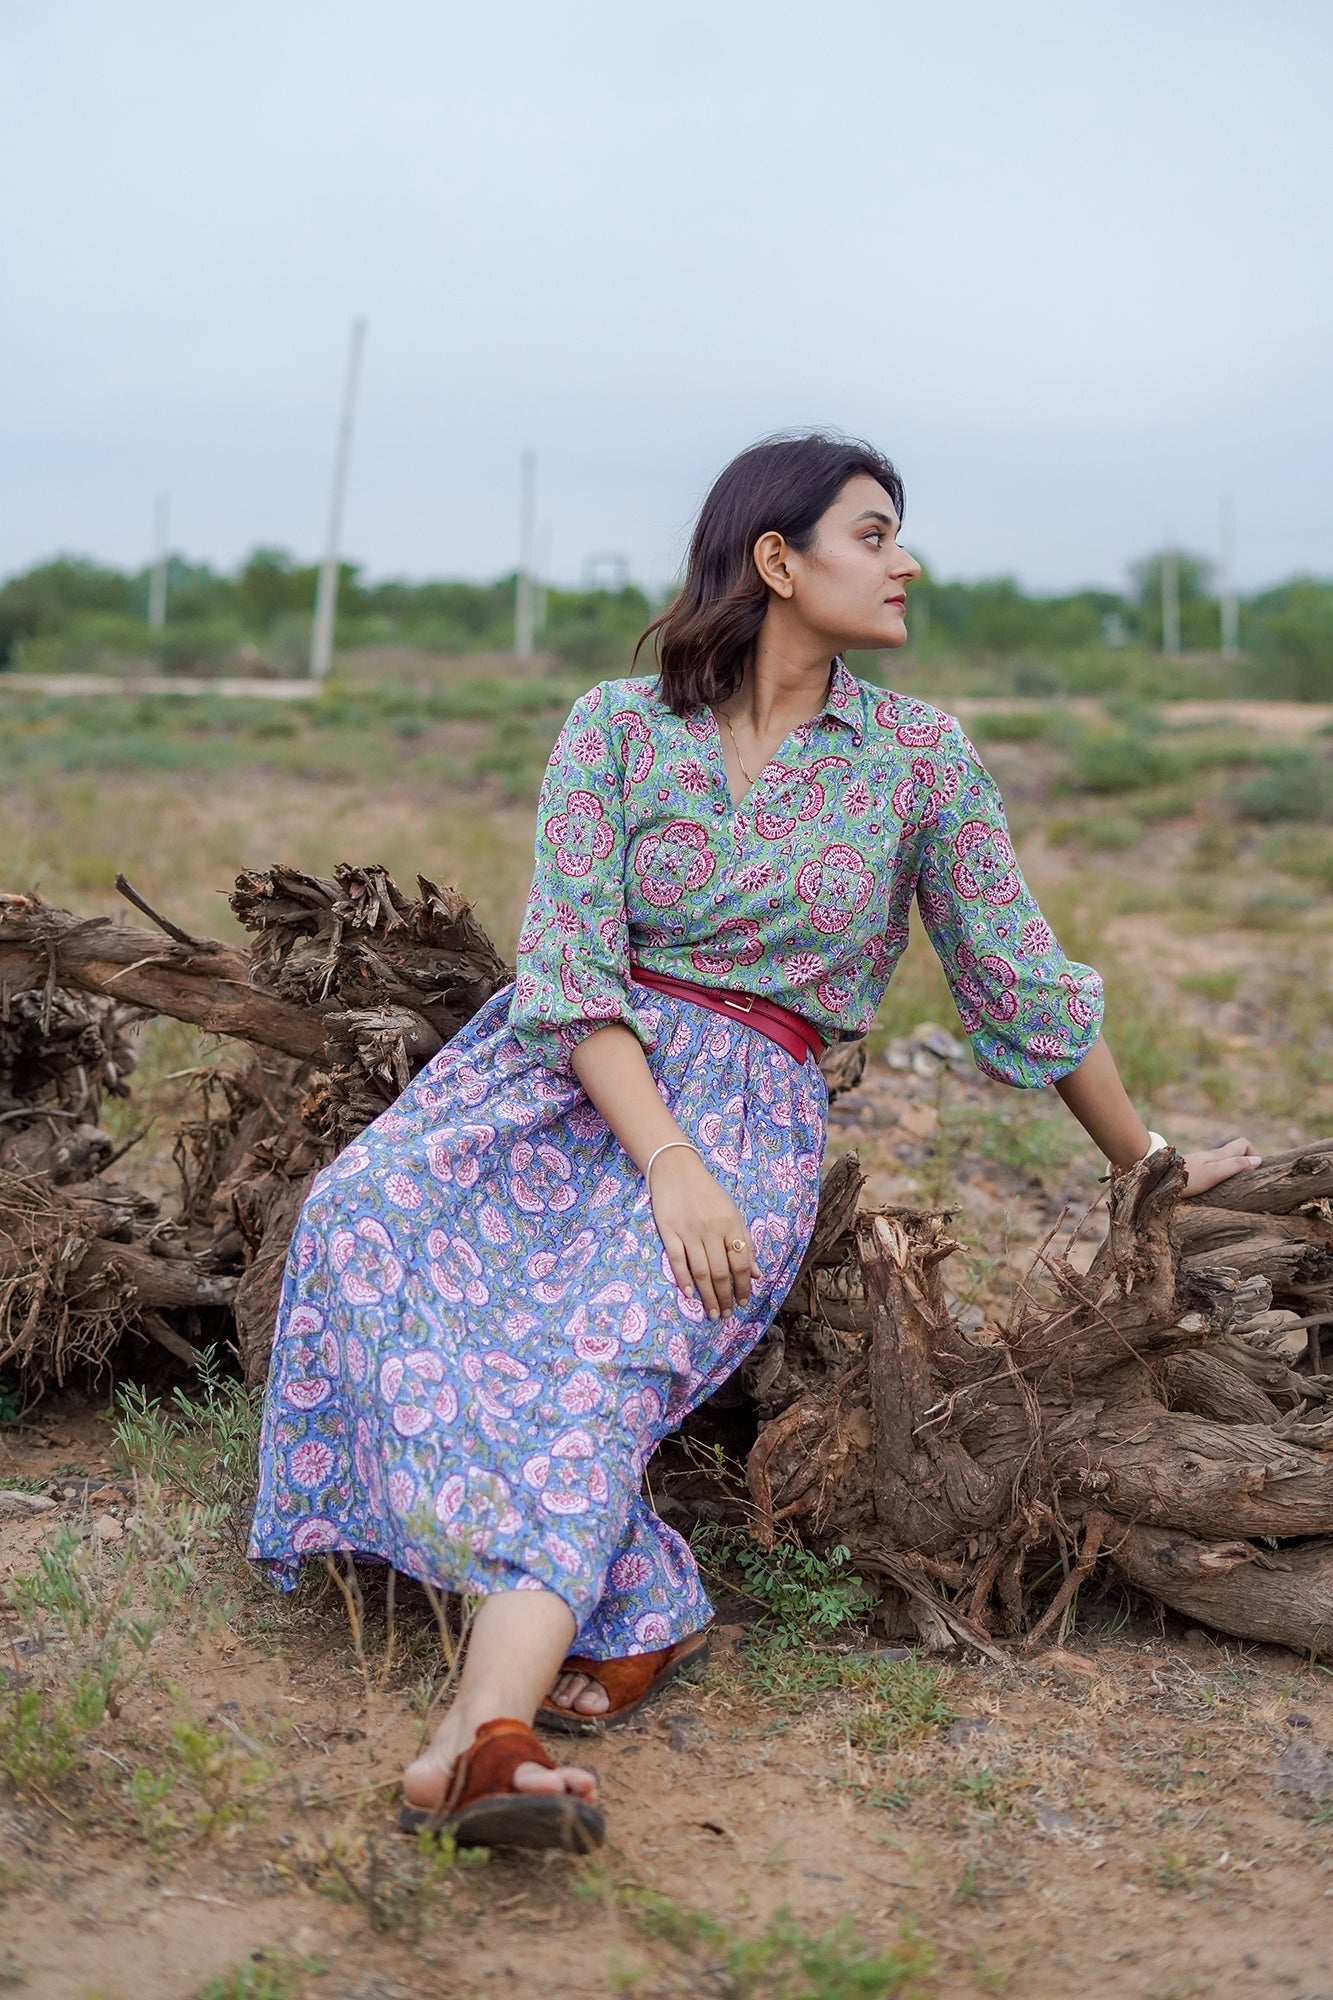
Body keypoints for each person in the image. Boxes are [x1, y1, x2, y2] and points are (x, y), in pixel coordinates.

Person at [247, 433, 1260, 1852]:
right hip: (558, 1087)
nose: (906, 560)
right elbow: (573, 975)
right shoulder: (611, 725)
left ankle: (483, 1737)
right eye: (874, 533)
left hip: (750, 1110)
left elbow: (1018, 978)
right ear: (777, 560)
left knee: (602, 1356)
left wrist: (1139, 1161)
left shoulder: (917, 758)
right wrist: (660, 1161)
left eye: (901, 535)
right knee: (357, 1225)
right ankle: (639, 1605)